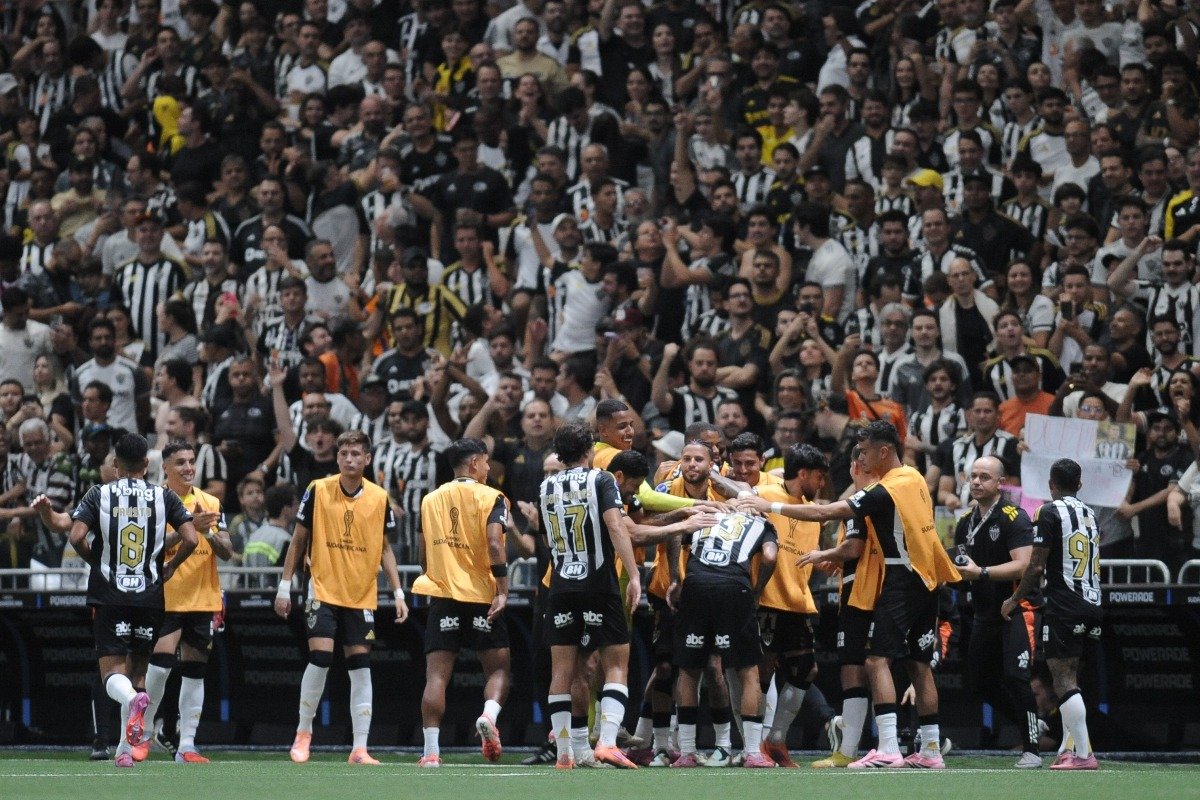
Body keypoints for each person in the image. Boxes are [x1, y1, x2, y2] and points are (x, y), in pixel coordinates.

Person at [737, 420, 960, 768]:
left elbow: (827, 512)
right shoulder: (915, 477)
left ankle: (888, 749)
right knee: (918, 665)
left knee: (874, 662)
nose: (863, 461)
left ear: (883, 452)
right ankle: (930, 749)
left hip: (900, 581)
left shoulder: (886, 488)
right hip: (927, 580)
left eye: (867, 452)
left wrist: (771, 508)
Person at [37, 433, 199, 768]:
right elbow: (191, 538)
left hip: (109, 595)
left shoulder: (100, 493)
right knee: (138, 672)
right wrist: (168, 567)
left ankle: (132, 705)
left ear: (114, 464)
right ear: (145, 464)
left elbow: (76, 535)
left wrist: (95, 561)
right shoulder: (162, 495)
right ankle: (125, 750)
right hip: (150, 596)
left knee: (113, 674)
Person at [274, 430, 407, 766]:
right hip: (323, 587)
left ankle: (359, 748)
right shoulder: (318, 490)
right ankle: (303, 733)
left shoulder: (379, 498)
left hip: (361, 593)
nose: (350, 459)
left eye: (356, 454)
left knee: (360, 666)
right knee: (320, 658)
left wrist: (398, 591)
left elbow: (385, 548)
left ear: (368, 459)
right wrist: (284, 585)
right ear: (337, 458)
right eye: (344, 453)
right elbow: (299, 540)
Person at [540, 421, 644, 769]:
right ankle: (609, 743)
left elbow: (548, 539)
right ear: (589, 451)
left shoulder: (545, 486)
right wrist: (633, 574)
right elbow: (615, 525)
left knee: (563, 671)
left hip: (561, 585)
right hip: (598, 582)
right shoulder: (601, 479)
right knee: (616, 663)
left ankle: (568, 752)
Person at [670, 440, 778, 769]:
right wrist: (758, 589)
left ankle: (686, 752)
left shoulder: (710, 513)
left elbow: (676, 535)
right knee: (746, 671)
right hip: (735, 587)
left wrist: (677, 577)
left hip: (697, 584)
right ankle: (753, 753)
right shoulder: (762, 522)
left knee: (689, 670)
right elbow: (771, 556)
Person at [411, 438, 512, 767]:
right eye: (485, 463)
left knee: (436, 677)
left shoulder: (429, 500)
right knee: (498, 670)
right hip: (483, 596)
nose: (487, 469)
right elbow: (495, 545)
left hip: (442, 596)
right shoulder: (491, 496)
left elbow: (421, 553)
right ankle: (488, 716)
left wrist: (436, 574)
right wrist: (503, 590)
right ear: (475, 463)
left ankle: (430, 753)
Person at [1001, 458, 1102, 770]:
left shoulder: (1048, 511)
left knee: (1063, 678)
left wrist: (1016, 598)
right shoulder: (1090, 513)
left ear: (1050, 484)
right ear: (1080, 485)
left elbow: (1036, 565)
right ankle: (1068, 748)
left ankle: (1084, 755)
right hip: (1092, 601)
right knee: (1072, 676)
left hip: (1064, 604)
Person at [138, 440, 231, 763]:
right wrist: (188, 527)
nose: (188, 467)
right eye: (180, 462)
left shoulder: (210, 501)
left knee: (195, 671)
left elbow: (229, 551)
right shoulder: (153, 502)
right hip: (165, 596)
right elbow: (149, 549)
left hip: (202, 597)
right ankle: (144, 733)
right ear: (164, 467)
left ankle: (187, 745)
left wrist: (208, 532)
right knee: (160, 668)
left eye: (191, 461)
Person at [951, 456, 1042, 769]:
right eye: (973, 476)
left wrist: (982, 573)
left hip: (1014, 607)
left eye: (985, 477)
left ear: (1000, 482)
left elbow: (1025, 564)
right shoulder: (966, 522)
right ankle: (1028, 720)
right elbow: (962, 562)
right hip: (983, 613)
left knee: (1017, 678)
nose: (977, 482)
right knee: (978, 682)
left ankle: (1032, 748)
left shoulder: (1013, 517)